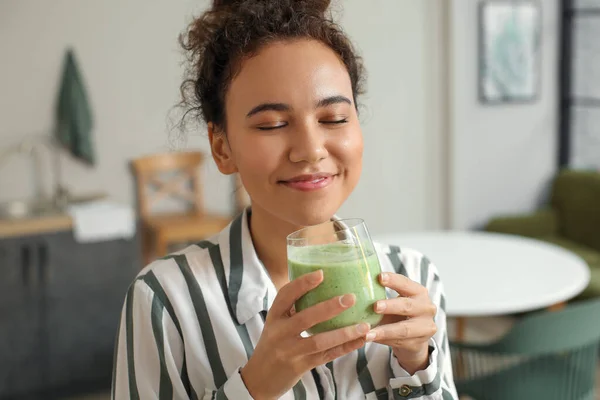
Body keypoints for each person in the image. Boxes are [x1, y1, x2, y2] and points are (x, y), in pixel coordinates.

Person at [112, 0, 458, 399]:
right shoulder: (165, 301)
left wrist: (416, 365)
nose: (310, 150)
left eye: (334, 119)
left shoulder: (414, 279)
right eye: (272, 124)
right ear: (222, 147)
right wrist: (254, 386)